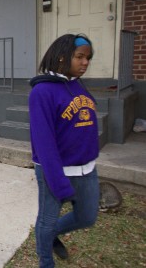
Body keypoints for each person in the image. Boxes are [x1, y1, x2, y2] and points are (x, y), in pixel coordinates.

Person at [29, 34, 100, 267]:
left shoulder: (77, 85)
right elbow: (44, 142)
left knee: (87, 217)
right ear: (61, 57)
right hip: (55, 170)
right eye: (79, 57)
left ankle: (48, 236)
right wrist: (58, 182)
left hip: (87, 169)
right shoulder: (42, 92)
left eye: (88, 58)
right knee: (47, 221)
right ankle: (46, 261)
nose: (85, 62)